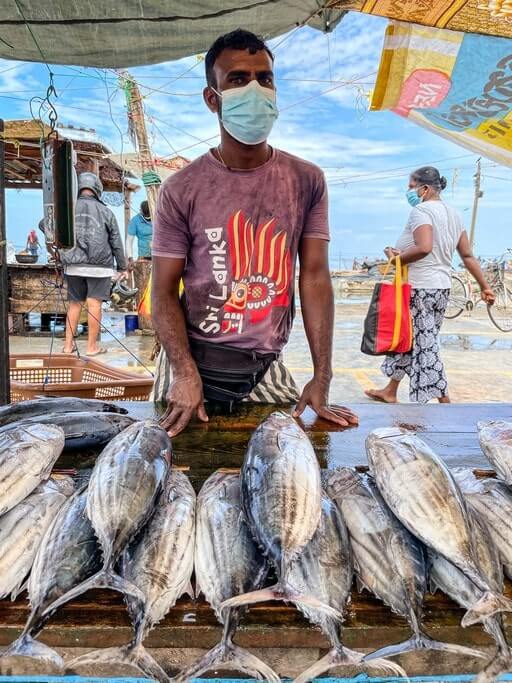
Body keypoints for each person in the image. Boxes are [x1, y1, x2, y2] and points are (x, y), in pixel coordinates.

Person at [151, 28, 358, 437]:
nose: (255, 89)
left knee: (286, 477)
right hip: (187, 364)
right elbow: (162, 291)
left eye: (265, 79)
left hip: (266, 367)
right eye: (238, 79)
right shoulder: (182, 188)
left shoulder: (307, 180)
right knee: (173, 472)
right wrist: (184, 372)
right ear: (213, 99)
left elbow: (314, 275)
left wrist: (322, 374)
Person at [365, 165, 495, 405]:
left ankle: (444, 400)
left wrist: (395, 258)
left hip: (420, 288)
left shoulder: (422, 211)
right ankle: (390, 390)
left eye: (411, 187)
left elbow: (424, 247)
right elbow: (466, 255)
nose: (409, 192)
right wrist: (484, 286)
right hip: (440, 288)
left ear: (425, 189)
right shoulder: (454, 214)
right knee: (411, 339)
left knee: (425, 345)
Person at [60, 172, 127, 356]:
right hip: (100, 267)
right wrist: (122, 267)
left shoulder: (67, 208)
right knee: (94, 304)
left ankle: (67, 347)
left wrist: (60, 246)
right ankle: (91, 348)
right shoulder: (106, 211)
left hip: (73, 265)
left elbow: (45, 224)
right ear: (97, 189)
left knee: (75, 304)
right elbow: (116, 241)